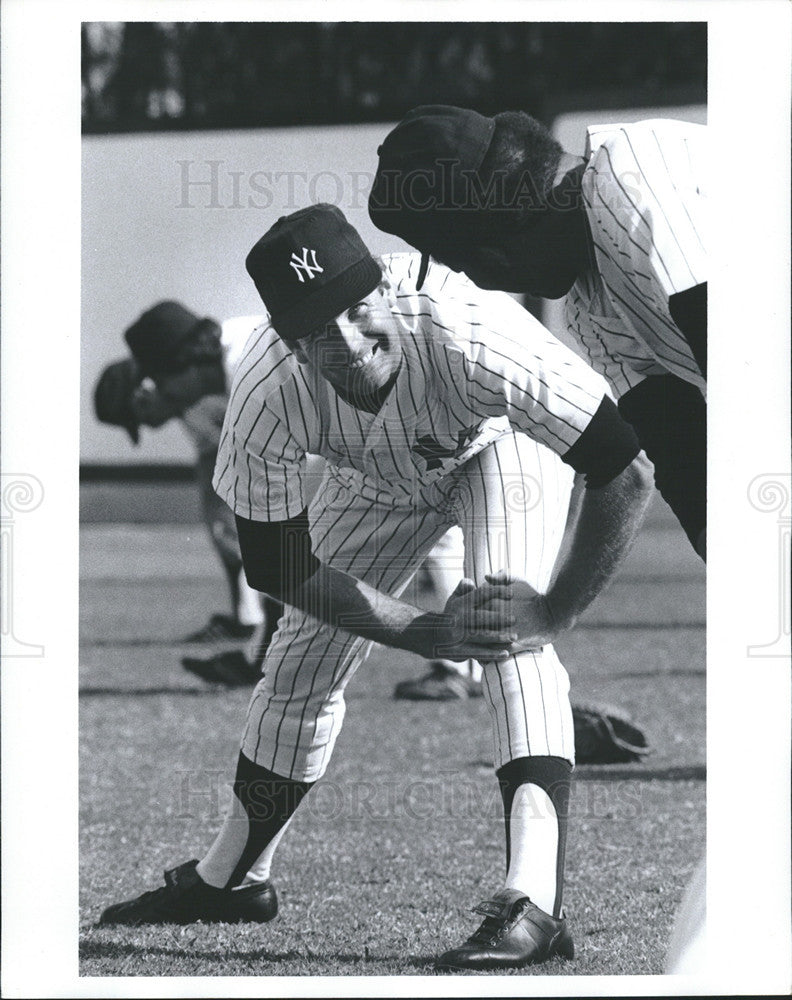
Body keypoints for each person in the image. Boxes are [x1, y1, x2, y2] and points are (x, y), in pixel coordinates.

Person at [98, 204, 654, 971]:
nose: (350, 341)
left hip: (502, 447)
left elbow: (624, 466)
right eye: (319, 331)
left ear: (387, 289)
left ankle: (534, 904)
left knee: (506, 633)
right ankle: (231, 879)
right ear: (288, 343)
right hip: (375, 482)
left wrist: (551, 611)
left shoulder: (471, 329)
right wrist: (418, 632)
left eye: (359, 308)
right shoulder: (265, 390)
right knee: (297, 666)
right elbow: (279, 567)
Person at [369, 105, 707, 560]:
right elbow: (691, 468)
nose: (483, 282)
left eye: (463, 264)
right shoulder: (592, 312)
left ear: (494, 247)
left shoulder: (634, 181)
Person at [93, 303, 283, 683]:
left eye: (158, 384)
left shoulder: (238, 367)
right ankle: (263, 651)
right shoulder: (215, 376)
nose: (148, 423)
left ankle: (262, 648)